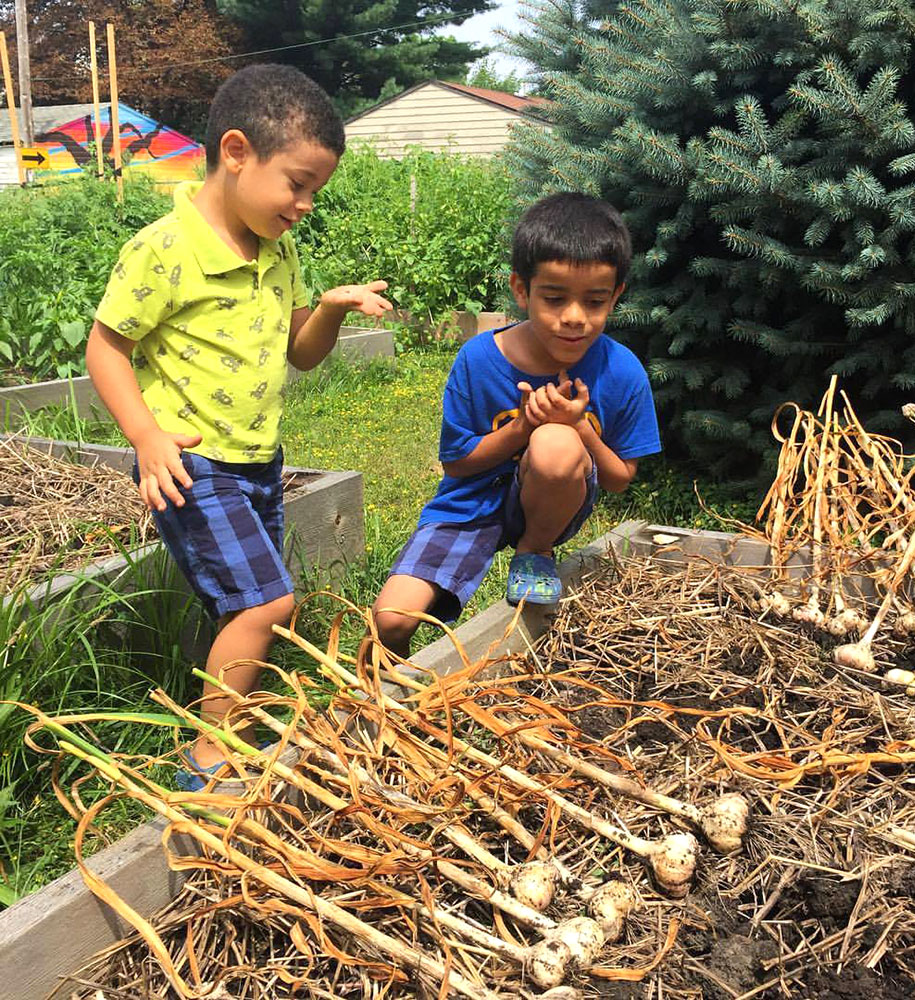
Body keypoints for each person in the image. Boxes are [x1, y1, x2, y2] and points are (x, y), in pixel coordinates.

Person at [85, 64, 391, 789]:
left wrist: (331, 310)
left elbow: (301, 355)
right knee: (267, 600)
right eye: (297, 183)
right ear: (236, 152)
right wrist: (146, 437)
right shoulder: (164, 251)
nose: (307, 204)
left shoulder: (276, 249)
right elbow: (106, 347)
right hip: (193, 462)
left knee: (247, 601)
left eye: (317, 190)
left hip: (259, 459)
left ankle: (232, 712)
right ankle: (210, 754)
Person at [370, 192, 661, 660]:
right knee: (391, 620)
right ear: (521, 290)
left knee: (556, 442)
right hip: (470, 503)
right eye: (554, 298)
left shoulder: (621, 370)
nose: (574, 317)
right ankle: (386, 693)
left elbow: (620, 479)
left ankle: (534, 550)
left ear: (617, 295)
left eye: (594, 301)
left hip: (552, 501)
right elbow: (458, 465)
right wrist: (521, 426)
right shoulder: (480, 359)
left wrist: (580, 428)